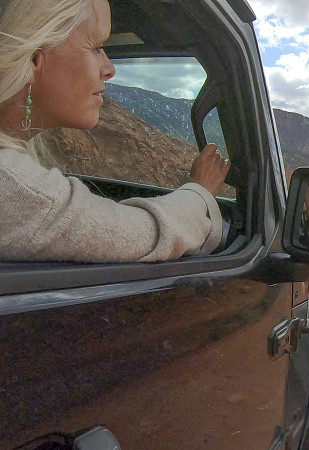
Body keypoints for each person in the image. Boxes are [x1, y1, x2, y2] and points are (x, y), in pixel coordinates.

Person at [0, 0, 230, 262]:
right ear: (34, 56)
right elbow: (140, 233)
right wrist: (199, 191)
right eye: (97, 47)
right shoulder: (13, 185)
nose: (110, 69)